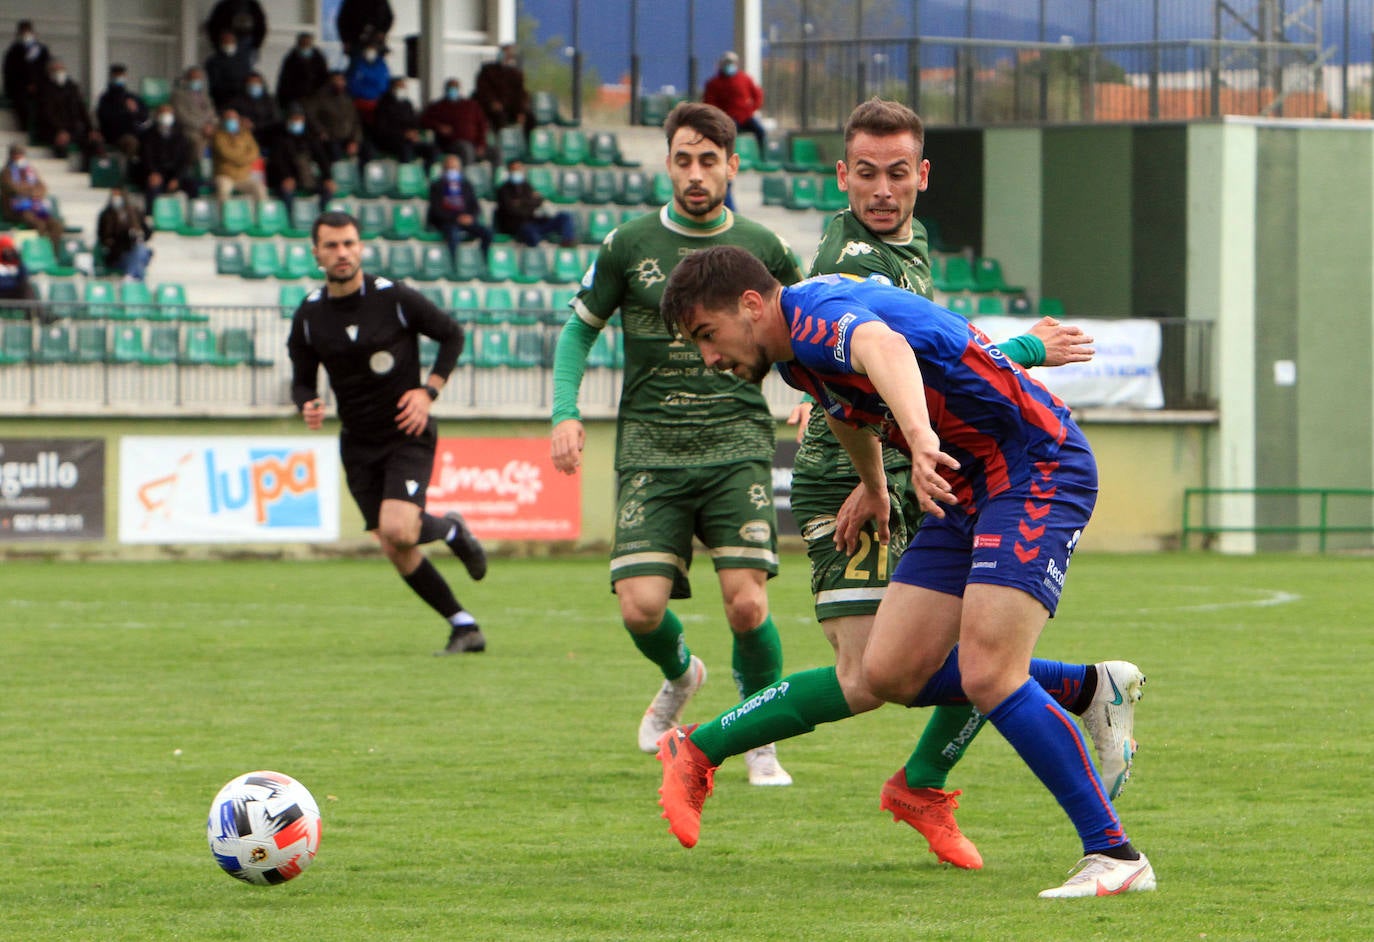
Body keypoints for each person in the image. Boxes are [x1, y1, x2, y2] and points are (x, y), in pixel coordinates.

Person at [649, 97, 1121, 871]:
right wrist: (882, 473)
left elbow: (881, 359)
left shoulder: (836, 297)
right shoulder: (834, 283)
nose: (881, 190)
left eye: (897, 173)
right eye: (865, 173)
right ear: (842, 176)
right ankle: (1063, 700)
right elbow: (868, 369)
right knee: (885, 672)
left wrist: (911, 451)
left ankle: (1096, 840)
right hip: (936, 473)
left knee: (940, 670)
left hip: (994, 466)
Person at [549, 102, 802, 785]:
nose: (696, 174)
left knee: (747, 602)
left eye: (709, 161)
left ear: (732, 166)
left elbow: (809, 325)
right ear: (667, 163)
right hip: (650, 448)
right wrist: (564, 411)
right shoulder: (627, 244)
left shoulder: (764, 247)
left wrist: (812, 395)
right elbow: (579, 330)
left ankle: (760, 735)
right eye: (684, 160)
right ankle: (682, 673)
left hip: (736, 442)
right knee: (641, 606)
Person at [288, 209, 489, 656]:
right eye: (332, 246)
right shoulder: (309, 315)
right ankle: (464, 625)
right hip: (357, 443)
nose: (342, 253)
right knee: (394, 544)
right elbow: (302, 377)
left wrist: (428, 392)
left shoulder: (393, 297)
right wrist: (307, 402)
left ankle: (452, 531)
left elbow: (452, 335)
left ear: (360, 246)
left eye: (349, 243)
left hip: (406, 432)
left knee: (399, 528)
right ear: (316, 253)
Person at [267, 106, 335, 215]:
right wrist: (286, 177)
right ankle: (290, 220)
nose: (297, 122)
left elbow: (322, 158)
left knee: (328, 190)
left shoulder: (309, 137)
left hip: (306, 178)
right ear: (288, 120)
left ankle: (323, 216)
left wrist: (328, 177)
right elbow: (277, 161)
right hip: (286, 179)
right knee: (287, 193)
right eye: (294, 119)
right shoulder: (280, 139)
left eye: (300, 119)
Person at [35, 58, 104, 165]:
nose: (59, 73)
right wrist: (60, 130)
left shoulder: (72, 87)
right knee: (61, 142)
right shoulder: (45, 89)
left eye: (61, 69)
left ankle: (88, 171)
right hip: (53, 130)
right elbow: (47, 114)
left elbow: (82, 110)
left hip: (74, 129)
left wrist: (91, 129)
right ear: (50, 72)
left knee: (94, 142)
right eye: (56, 70)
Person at [493, 159, 575, 247]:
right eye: (514, 169)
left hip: (534, 221)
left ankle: (567, 242)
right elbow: (512, 211)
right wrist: (530, 204)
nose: (517, 172)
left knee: (565, 217)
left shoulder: (527, 186)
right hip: (518, 226)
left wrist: (522, 203)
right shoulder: (503, 190)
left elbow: (539, 201)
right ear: (509, 170)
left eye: (519, 169)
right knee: (531, 235)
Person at [427, 153, 491, 262]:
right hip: (447, 221)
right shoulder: (437, 186)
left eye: (455, 167)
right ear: (444, 168)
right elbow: (436, 210)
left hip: (466, 220)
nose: (452, 170)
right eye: (449, 167)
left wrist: (470, 217)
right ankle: (455, 263)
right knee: (453, 235)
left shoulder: (466, 185)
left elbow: (475, 206)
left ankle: (483, 260)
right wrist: (456, 218)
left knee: (487, 233)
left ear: (460, 168)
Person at [1, 144, 63, 251]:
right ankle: (41, 253)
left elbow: (42, 187)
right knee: (39, 224)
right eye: (17, 155)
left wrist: (33, 192)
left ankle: (53, 253)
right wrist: (31, 190)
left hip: (35, 207)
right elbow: (13, 189)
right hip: (17, 209)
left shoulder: (29, 171)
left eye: (21, 155)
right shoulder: (6, 172)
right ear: (12, 156)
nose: (19, 158)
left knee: (55, 225)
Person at [702, 52, 765, 150]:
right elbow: (710, 103)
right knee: (729, 135)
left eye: (732, 63)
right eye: (727, 63)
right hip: (728, 118)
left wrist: (751, 109)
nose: (729, 66)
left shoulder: (745, 79)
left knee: (760, 132)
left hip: (746, 117)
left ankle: (761, 155)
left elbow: (757, 95)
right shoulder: (714, 83)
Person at [420, 79, 490, 167]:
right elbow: (423, 121)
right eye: (450, 88)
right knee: (466, 149)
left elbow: (482, 125)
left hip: (475, 144)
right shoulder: (438, 106)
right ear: (445, 90)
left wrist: (481, 144)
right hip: (451, 144)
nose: (452, 91)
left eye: (455, 88)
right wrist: (439, 127)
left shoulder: (471, 105)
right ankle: (466, 179)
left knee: (495, 152)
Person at [135, 104, 197, 201]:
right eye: (163, 112)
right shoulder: (148, 134)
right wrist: (153, 172)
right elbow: (146, 157)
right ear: (157, 115)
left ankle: (194, 214)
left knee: (192, 186)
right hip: (156, 173)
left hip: (174, 174)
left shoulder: (181, 135)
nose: (166, 115)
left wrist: (177, 178)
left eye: (168, 113)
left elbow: (184, 160)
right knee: (153, 187)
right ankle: (150, 215)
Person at [306, 71, 370, 166]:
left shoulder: (347, 98)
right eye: (337, 80)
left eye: (342, 80)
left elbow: (356, 122)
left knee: (368, 152)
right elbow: (310, 116)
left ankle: (362, 178)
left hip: (348, 137)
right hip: (331, 137)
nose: (340, 83)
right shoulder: (320, 98)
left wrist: (355, 140)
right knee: (335, 155)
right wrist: (320, 131)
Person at [371, 77, 436, 167]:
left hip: (410, 140)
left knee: (432, 150)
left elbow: (415, 122)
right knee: (406, 150)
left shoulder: (407, 104)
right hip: (391, 141)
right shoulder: (383, 104)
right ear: (392, 88)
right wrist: (403, 134)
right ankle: (406, 178)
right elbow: (381, 129)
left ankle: (426, 176)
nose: (402, 89)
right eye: (399, 87)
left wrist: (415, 133)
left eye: (404, 87)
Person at [211, 108, 268, 202]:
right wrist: (244, 157)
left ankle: (260, 216)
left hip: (244, 177)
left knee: (260, 189)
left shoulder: (246, 134)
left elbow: (254, 152)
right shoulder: (218, 136)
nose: (231, 121)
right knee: (223, 190)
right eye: (228, 118)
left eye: (234, 118)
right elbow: (227, 154)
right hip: (225, 175)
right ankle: (224, 216)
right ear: (223, 120)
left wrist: (240, 158)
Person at [97, 186, 153, 281]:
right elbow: (103, 238)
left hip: (133, 249)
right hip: (116, 254)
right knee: (141, 257)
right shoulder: (106, 215)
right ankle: (133, 279)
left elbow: (147, 232)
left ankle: (130, 276)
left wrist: (139, 234)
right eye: (114, 195)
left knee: (140, 250)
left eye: (119, 195)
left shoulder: (135, 213)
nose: (116, 198)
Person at [473, 43, 531, 135]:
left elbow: (521, 93)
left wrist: (521, 111)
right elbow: (483, 90)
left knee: (530, 117)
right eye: (503, 52)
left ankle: (526, 144)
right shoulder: (487, 70)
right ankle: (501, 142)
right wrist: (492, 102)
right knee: (499, 116)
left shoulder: (515, 74)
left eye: (508, 53)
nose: (505, 55)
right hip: (490, 106)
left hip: (509, 107)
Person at [2, 21, 50, 129]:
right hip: (20, 89)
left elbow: (46, 69)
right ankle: (27, 129)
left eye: (28, 31)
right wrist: (25, 85)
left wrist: (37, 84)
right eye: (23, 32)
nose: (26, 35)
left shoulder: (42, 50)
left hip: (40, 88)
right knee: (23, 106)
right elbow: (10, 72)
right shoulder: (13, 51)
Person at [96, 64, 149, 161]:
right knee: (131, 142)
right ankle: (128, 171)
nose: (119, 79)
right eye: (117, 76)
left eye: (122, 76)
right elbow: (105, 119)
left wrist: (135, 111)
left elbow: (144, 116)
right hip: (114, 134)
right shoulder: (105, 99)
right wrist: (126, 113)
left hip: (134, 132)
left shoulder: (132, 97)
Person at [171, 66, 217, 161]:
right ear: (187, 79)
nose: (196, 81)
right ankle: (196, 169)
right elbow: (182, 116)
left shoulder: (204, 95)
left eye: (199, 79)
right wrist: (202, 127)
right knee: (198, 142)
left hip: (208, 128)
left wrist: (211, 125)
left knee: (222, 139)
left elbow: (211, 112)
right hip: (190, 129)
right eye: (193, 78)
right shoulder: (178, 95)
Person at [276, 32, 329, 111]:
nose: (306, 45)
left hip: (315, 97)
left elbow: (324, 77)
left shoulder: (319, 58)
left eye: (308, 43)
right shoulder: (291, 59)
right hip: (296, 98)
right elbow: (285, 81)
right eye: (304, 43)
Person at [205, 29, 255, 109]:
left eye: (231, 41)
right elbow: (215, 84)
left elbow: (248, 76)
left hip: (244, 99)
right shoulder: (213, 62)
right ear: (220, 43)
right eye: (226, 41)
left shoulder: (243, 60)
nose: (229, 44)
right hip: (223, 101)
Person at [229, 71, 279, 149]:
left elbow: (275, 120)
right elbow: (228, 116)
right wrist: (239, 120)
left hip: (266, 135)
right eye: (251, 83)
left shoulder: (269, 100)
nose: (254, 86)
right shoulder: (237, 101)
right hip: (243, 137)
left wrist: (255, 125)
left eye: (257, 83)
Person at [344, 42, 389, 127]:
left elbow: (383, 84)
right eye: (368, 50)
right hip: (359, 102)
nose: (371, 52)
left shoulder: (382, 65)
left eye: (373, 50)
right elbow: (352, 83)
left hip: (376, 103)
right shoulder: (356, 64)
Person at [0, 233, 40, 319]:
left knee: (27, 287)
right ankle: (34, 314)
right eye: (5, 249)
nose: (8, 253)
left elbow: (24, 277)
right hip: (2, 294)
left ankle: (36, 314)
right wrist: (13, 281)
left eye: (10, 250)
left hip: (14, 293)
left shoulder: (15, 264)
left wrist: (19, 261)